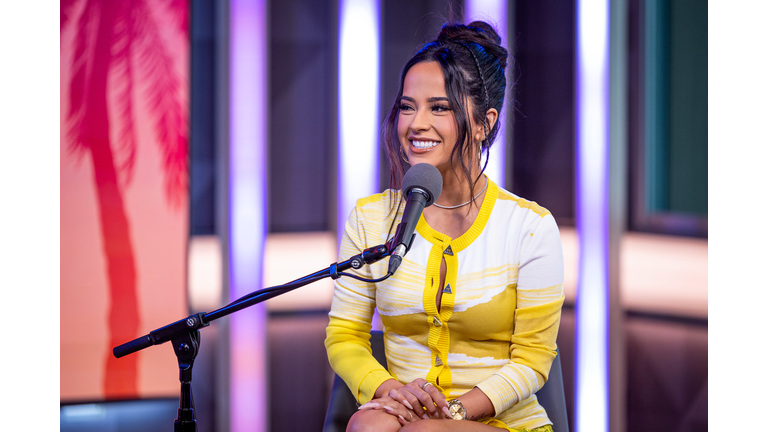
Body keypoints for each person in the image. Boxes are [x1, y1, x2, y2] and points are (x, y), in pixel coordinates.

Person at [325, 20, 564, 432]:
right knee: (368, 427)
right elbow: (344, 335)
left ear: (484, 123)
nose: (416, 123)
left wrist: (450, 413)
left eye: (439, 107)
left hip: (503, 422)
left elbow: (533, 361)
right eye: (406, 106)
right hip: (407, 416)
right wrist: (388, 392)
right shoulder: (371, 219)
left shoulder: (530, 228)